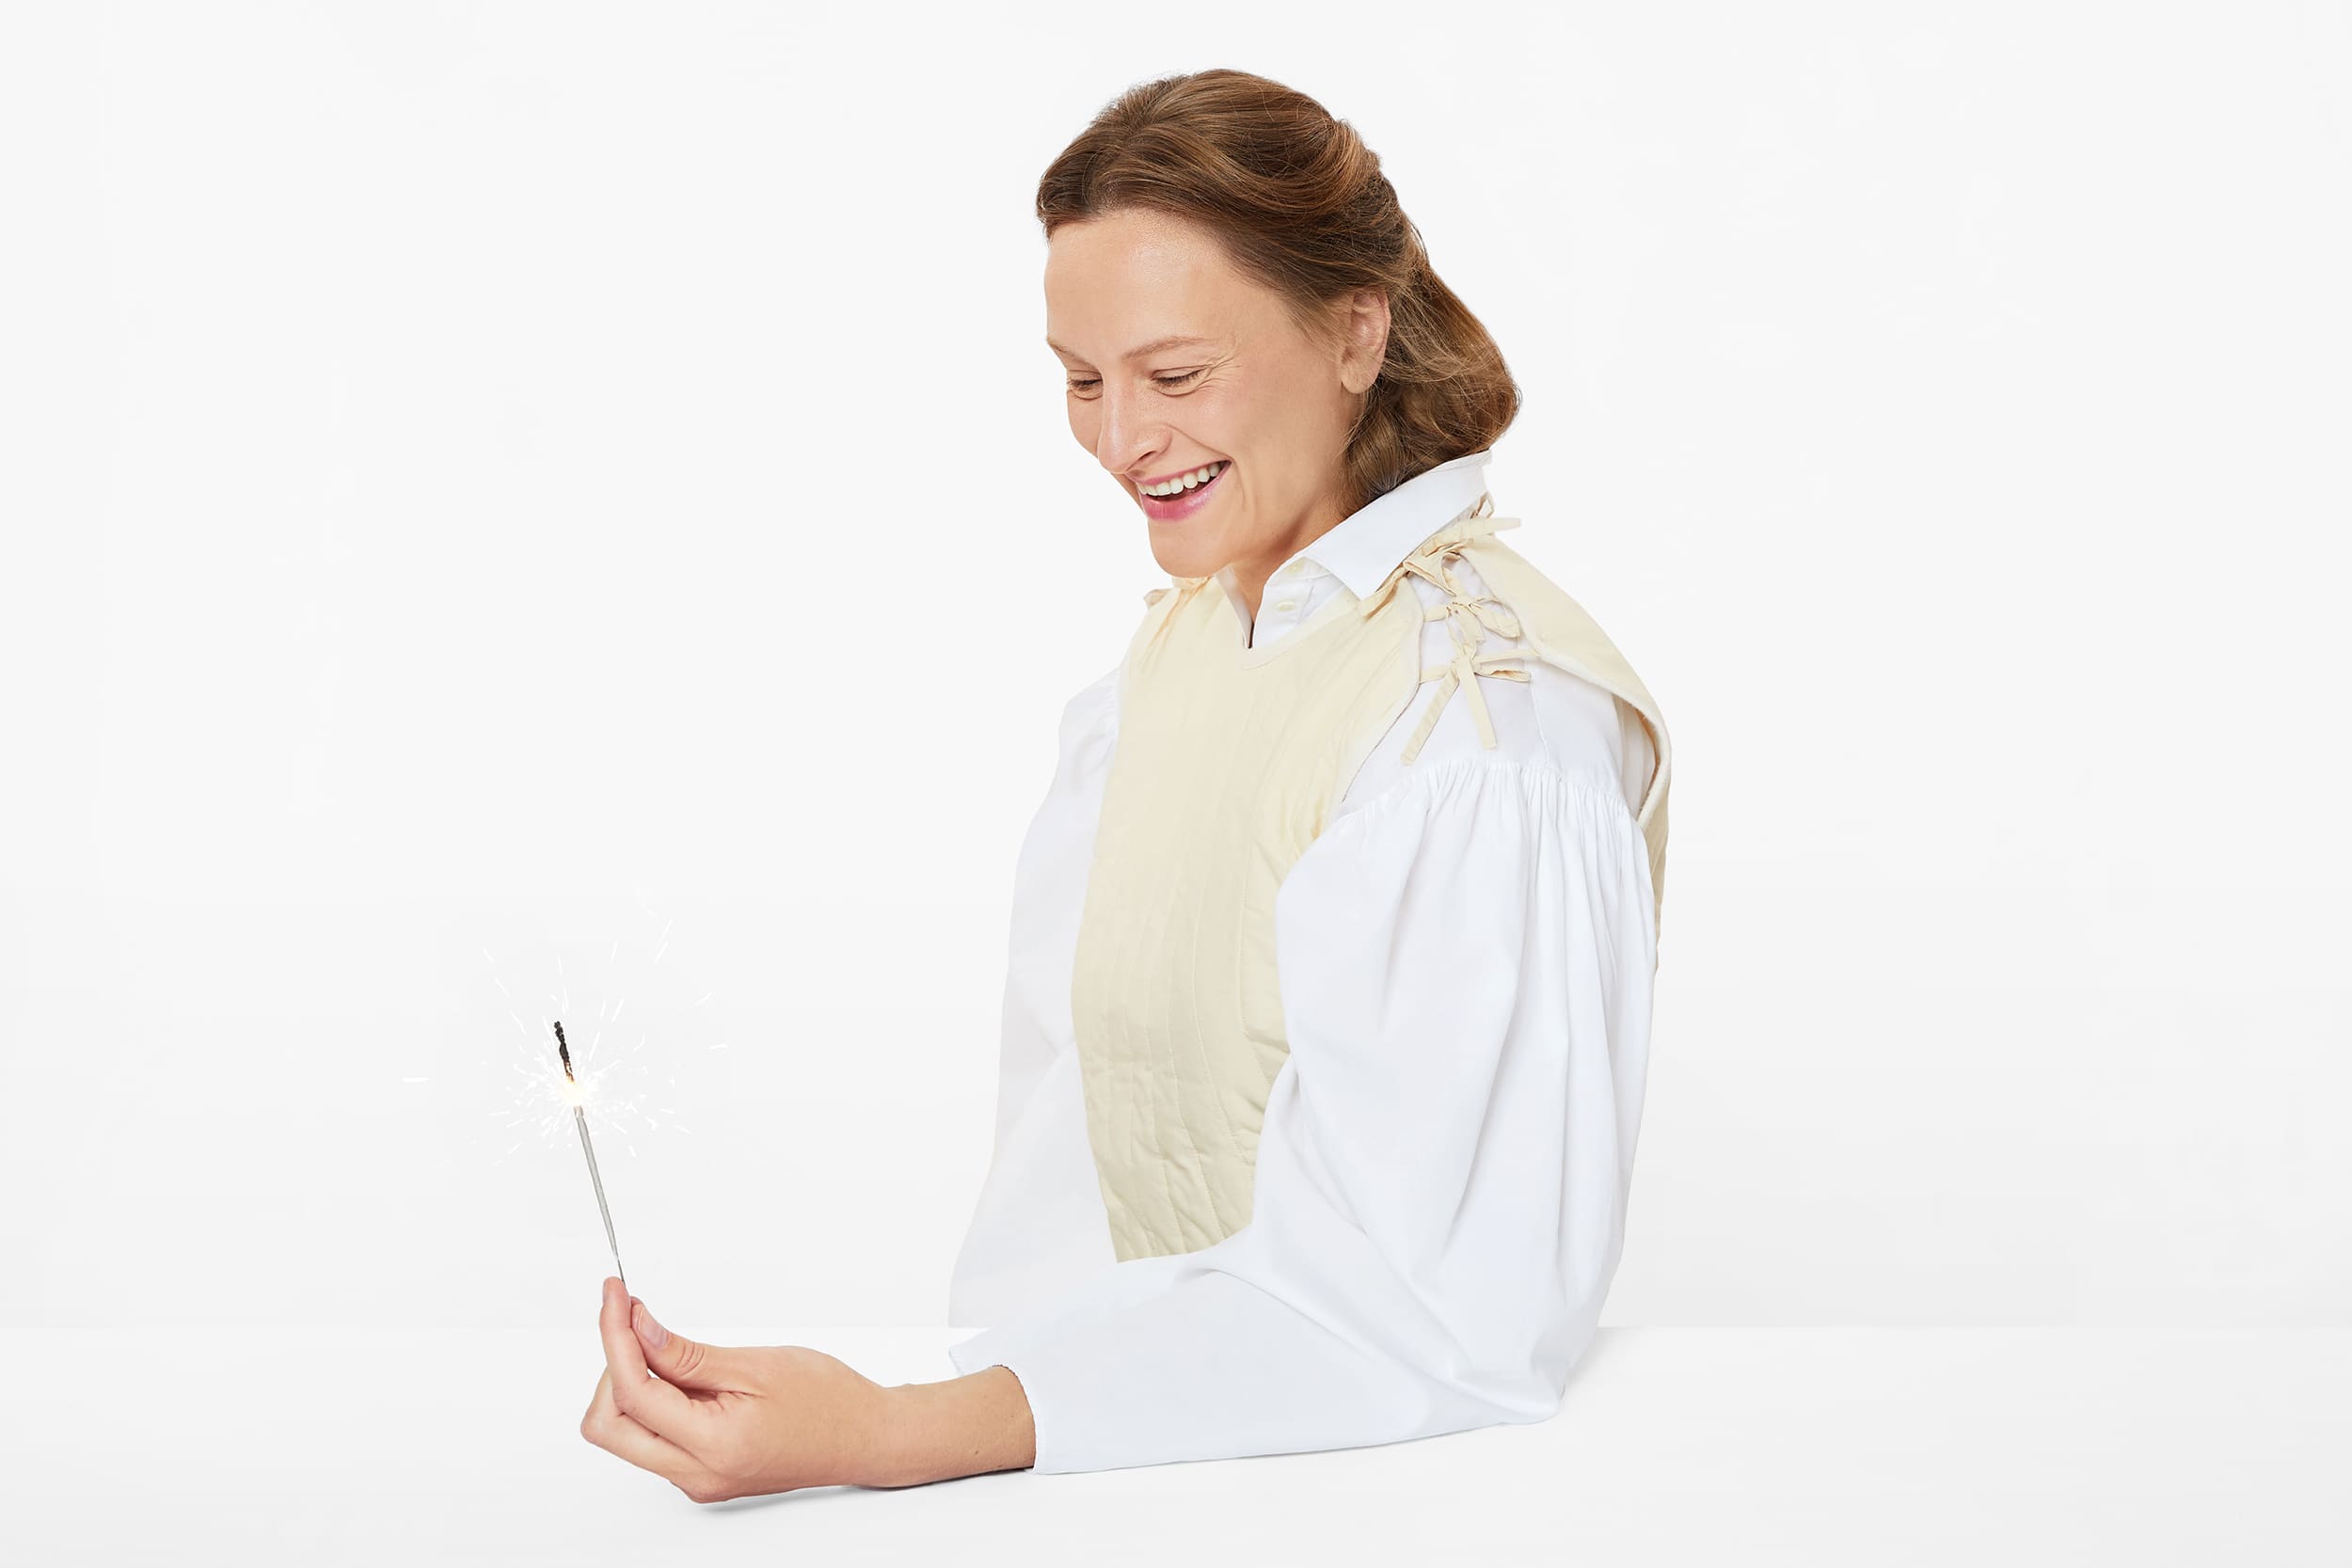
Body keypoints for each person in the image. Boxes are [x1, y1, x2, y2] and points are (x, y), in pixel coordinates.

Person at [578, 67, 1672, 1501]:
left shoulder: (1478, 725)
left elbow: (1434, 1315)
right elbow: (1070, 1171)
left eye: (1175, 375)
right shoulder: (1178, 661)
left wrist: (895, 1435)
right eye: (1082, 381)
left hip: (1394, 1506)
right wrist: (931, 1409)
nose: (1118, 441)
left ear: (1357, 330)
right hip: (1145, 1483)